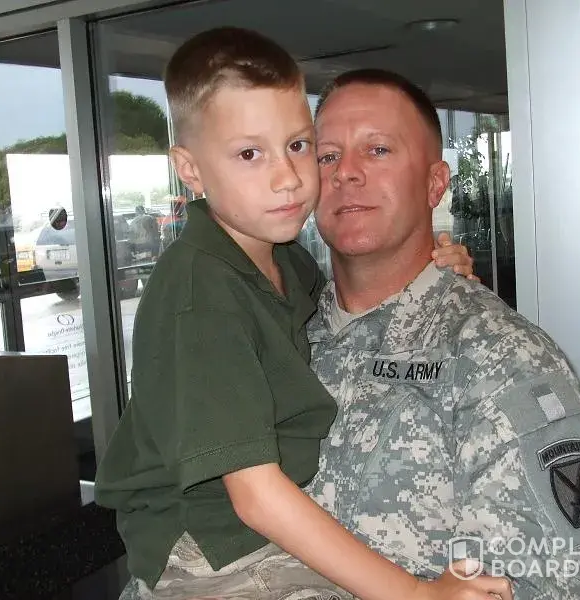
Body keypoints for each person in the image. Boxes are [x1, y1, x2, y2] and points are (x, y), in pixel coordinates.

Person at [94, 28, 503, 600]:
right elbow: (256, 496)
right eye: (249, 154)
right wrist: (417, 595)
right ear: (190, 170)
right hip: (211, 552)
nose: (287, 177)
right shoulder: (200, 292)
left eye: (298, 145)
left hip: (254, 535)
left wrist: (442, 267)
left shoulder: (284, 261)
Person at [299, 69, 580, 599]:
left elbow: (535, 582)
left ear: (435, 183)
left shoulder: (503, 358)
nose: (346, 173)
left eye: (377, 150)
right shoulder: (282, 332)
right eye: (327, 156)